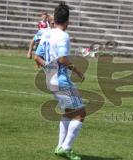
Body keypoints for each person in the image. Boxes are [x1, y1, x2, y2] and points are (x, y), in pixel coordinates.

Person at [34, 3, 85, 160]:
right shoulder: (63, 36)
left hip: (51, 79)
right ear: (67, 20)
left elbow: (37, 57)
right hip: (61, 80)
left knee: (69, 112)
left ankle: (60, 146)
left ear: (55, 19)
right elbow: (62, 59)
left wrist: (48, 68)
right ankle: (66, 148)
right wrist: (77, 71)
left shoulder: (47, 34)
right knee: (80, 114)